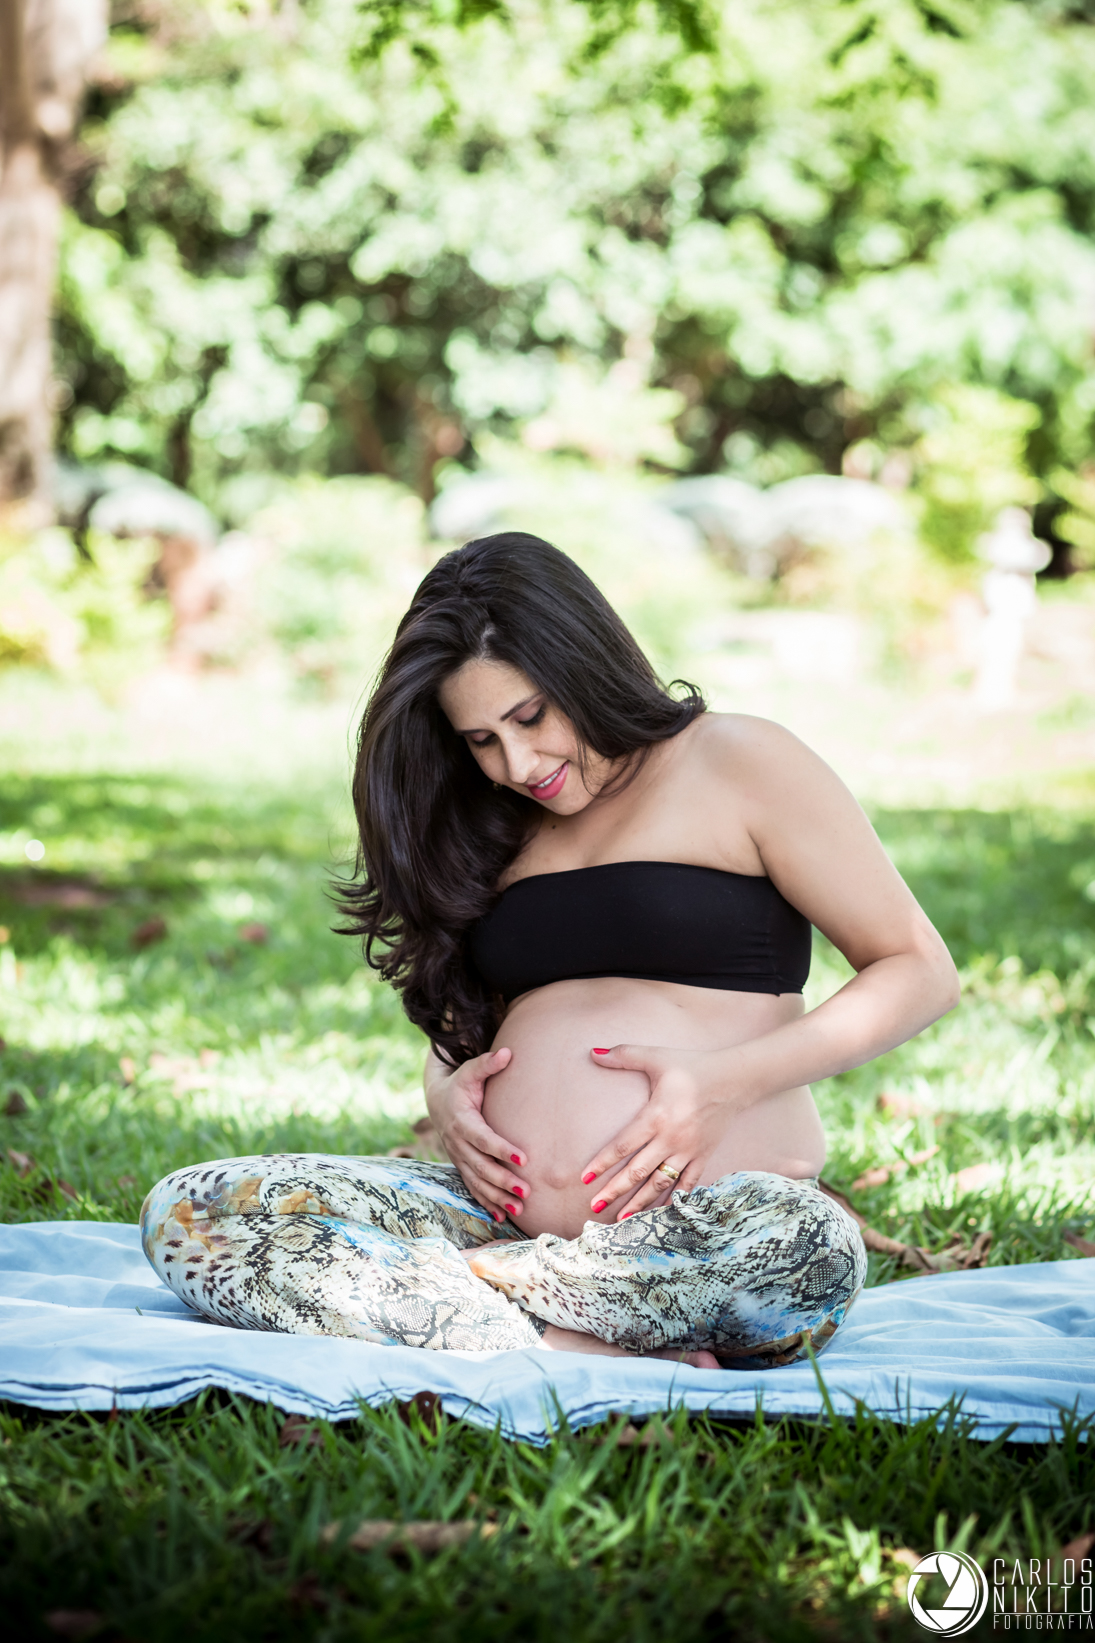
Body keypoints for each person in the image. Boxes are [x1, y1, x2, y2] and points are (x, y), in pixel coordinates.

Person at [141, 533, 959, 1369]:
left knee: (810, 1252)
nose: (516, 762)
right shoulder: (492, 821)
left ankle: (464, 1301)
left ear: (583, 662)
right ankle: (560, 1332)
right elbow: (464, 1022)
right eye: (479, 739)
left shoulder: (736, 761)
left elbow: (916, 968)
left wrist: (723, 1083)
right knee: (193, 1212)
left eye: (529, 715)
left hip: (706, 1225)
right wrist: (446, 1090)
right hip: (494, 1219)